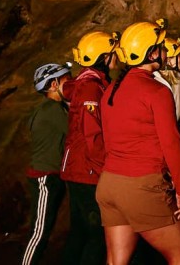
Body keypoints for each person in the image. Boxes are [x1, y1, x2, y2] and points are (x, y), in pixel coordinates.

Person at [97, 19, 180, 265]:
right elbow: (171, 143)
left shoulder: (110, 91)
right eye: (160, 47)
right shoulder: (157, 92)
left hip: (109, 184)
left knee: (117, 260)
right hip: (141, 186)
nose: (164, 52)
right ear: (151, 53)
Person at [61, 30, 118, 265]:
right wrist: (106, 169)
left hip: (79, 169)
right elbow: (92, 134)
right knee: (96, 235)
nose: (118, 57)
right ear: (103, 57)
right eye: (113, 53)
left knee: (80, 231)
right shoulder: (90, 88)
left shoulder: (89, 83)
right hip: (87, 171)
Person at [21, 62, 73, 265]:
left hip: (50, 175)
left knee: (43, 229)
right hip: (45, 177)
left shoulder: (48, 108)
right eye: (66, 80)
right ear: (53, 84)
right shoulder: (51, 109)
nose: (71, 84)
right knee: (39, 231)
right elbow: (75, 132)